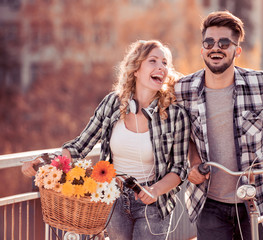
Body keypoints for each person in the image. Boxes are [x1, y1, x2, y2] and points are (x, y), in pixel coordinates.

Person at [22, 40, 190, 240]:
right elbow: (79, 146)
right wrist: (44, 160)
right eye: (153, 61)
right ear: (136, 69)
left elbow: (180, 168)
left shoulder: (175, 115)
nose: (161, 67)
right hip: (113, 199)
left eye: (165, 63)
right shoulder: (112, 103)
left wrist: (154, 190)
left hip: (153, 204)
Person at [174, 11, 263, 240]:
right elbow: (181, 134)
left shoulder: (261, 84)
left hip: (257, 197)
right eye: (209, 42)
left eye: (224, 42)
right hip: (207, 199)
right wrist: (192, 163)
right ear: (202, 49)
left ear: (237, 50)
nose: (216, 48)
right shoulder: (183, 89)